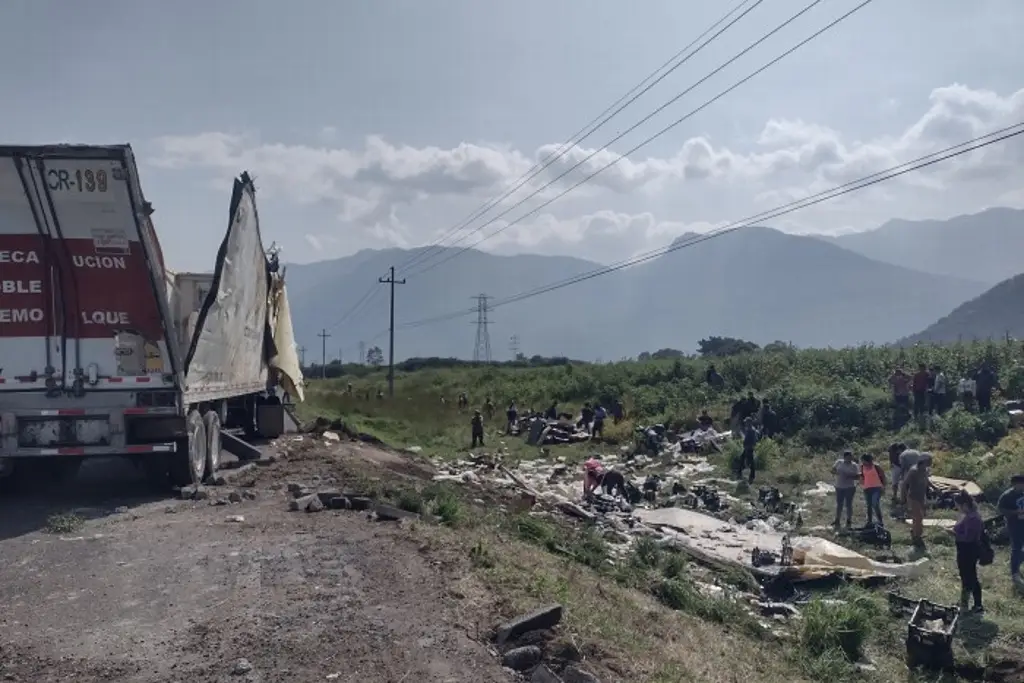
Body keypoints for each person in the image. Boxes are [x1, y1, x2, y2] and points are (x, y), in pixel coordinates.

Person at [949, 491, 985, 613]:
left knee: (970, 578)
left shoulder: (973, 518)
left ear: (964, 504)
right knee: (966, 577)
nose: (957, 508)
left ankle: (977, 605)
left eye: (958, 505)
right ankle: (964, 602)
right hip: (964, 550)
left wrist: (953, 534)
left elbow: (969, 538)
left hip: (969, 550)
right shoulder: (967, 515)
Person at [996, 474, 1024, 589]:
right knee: (1017, 547)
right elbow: (1001, 509)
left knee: (1020, 550)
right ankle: (1015, 573)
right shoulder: (1007, 496)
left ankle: (1016, 563)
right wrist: (1015, 512)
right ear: (1015, 484)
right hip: (1015, 525)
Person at [901, 453, 933, 547]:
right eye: (929, 461)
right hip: (913, 496)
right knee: (917, 517)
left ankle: (915, 532)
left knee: (921, 517)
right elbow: (904, 484)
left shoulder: (926, 470)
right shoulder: (914, 471)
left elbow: (927, 480)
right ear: (923, 461)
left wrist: (934, 488)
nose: (931, 463)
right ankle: (916, 537)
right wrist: (903, 499)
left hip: (921, 496)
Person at [832, 450, 860, 529]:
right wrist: (837, 472)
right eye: (847, 457)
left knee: (848, 504)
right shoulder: (839, 462)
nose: (849, 459)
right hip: (839, 486)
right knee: (839, 504)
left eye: (850, 457)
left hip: (850, 487)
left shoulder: (854, 465)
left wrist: (849, 476)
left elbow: (858, 477)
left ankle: (849, 520)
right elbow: (833, 470)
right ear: (844, 457)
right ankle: (837, 520)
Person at [860, 453, 886, 527]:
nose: (862, 462)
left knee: (875, 504)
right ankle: (869, 521)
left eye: (863, 460)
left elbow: (883, 477)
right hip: (867, 488)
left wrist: (884, 487)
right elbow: (862, 477)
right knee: (869, 505)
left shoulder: (876, 467)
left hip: (877, 487)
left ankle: (880, 521)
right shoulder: (862, 467)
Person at [736, 417, 759, 483]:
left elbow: (751, 440)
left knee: (750, 462)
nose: (745, 423)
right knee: (743, 459)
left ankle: (751, 476)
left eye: (746, 422)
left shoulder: (751, 430)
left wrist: (748, 446)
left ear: (749, 422)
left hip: (749, 447)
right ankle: (740, 473)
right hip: (747, 447)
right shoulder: (749, 429)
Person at [888, 442, 907, 508]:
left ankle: (904, 497)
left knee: (904, 481)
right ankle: (894, 495)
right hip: (895, 465)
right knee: (895, 481)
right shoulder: (891, 448)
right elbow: (890, 456)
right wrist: (891, 463)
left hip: (904, 466)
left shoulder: (905, 449)